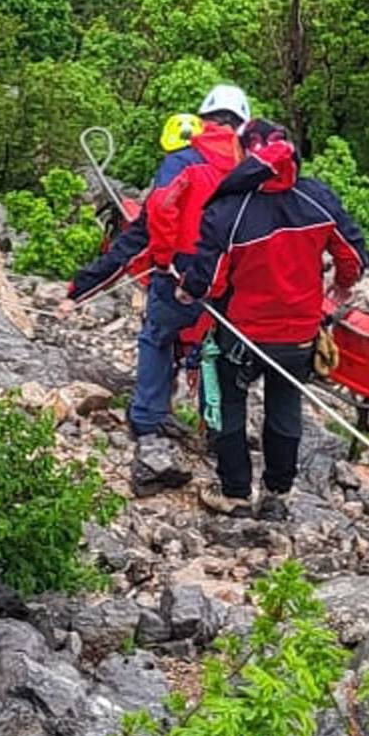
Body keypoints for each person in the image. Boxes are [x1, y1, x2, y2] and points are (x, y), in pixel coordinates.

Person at [180, 121, 367, 511]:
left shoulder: (230, 207)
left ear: (245, 154)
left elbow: (209, 280)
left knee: (230, 405)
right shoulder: (317, 197)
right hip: (299, 331)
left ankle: (234, 493)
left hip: (243, 332)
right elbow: (352, 252)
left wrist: (188, 289)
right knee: (285, 406)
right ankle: (277, 493)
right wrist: (344, 284)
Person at [67, 85, 251, 470]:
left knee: (157, 338)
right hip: (227, 277)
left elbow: (158, 215)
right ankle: (216, 430)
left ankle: (149, 418)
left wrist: (81, 288)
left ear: (203, 120)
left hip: (178, 270)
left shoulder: (184, 160)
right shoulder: (251, 169)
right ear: (242, 125)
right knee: (212, 353)